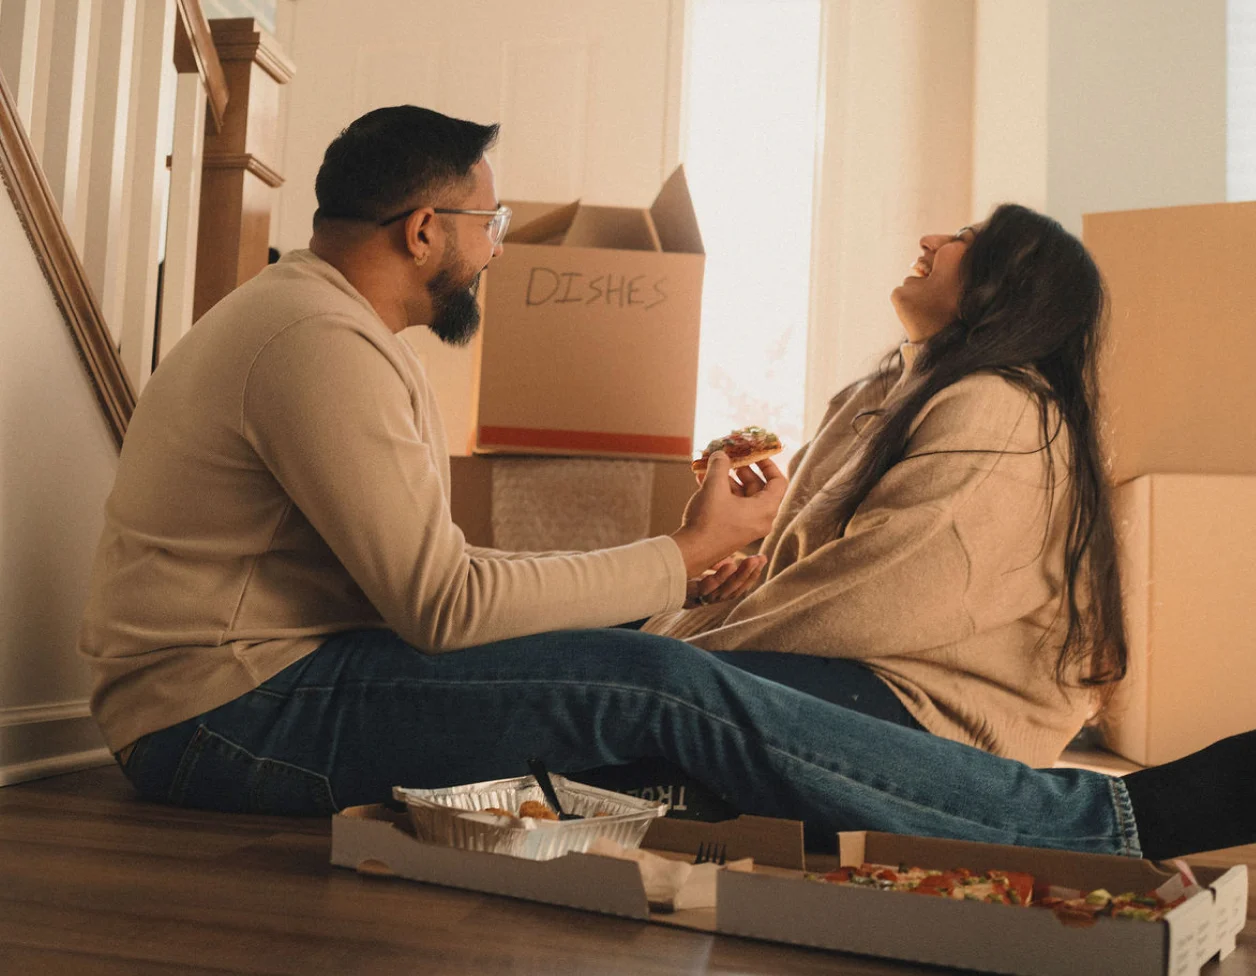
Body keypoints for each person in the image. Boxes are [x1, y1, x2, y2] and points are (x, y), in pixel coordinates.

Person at [79, 105, 1253, 861]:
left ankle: (1053, 819)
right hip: (225, 720)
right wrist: (683, 571)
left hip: (256, 687)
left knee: (645, 685)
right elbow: (441, 605)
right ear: (427, 228)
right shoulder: (318, 345)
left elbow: (440, 590)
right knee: (654, 688)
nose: (498, 245)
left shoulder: (325, 331)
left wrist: (683, 583)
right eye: (488, 222)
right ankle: (1100, 823)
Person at [645, 204, 1124, 770]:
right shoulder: (872, 395)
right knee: (609, 649)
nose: (930, 239)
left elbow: (874, 596)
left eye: (965, 239)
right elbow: (800, 568)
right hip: (856, 667)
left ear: (1007, 284)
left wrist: (668, 643)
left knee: (616, 679)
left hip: (936, 718)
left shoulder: (1002, 407)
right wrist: (733, 567)